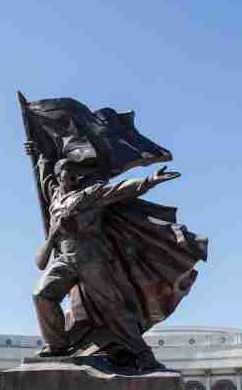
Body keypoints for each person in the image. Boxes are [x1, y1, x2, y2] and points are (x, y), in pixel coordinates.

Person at [25, 141, 187, 371]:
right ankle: (58, 346)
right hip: (64, 258)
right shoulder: (55, 199)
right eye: (67, 175)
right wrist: (39, 158)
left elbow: (117, 190)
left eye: (74, 175)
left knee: (113, 309)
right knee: (41, 295)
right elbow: (45, 182)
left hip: (91, 259)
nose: (72, 179)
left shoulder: (88, 195)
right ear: (60, 176)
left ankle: (143, 354)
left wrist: (149, 181)